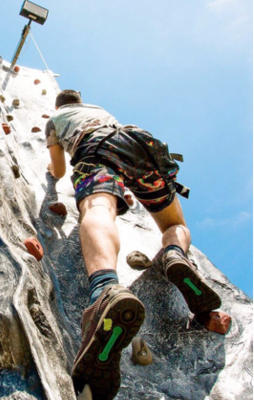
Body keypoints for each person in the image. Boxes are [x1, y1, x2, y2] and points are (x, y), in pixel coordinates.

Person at [45, 90, 222, 399]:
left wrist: (51, 171)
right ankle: (175, 255)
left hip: (95, 149)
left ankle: (104, 290)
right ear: (79, 99)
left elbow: (58, 169)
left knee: (98, 208)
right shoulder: (97, 107)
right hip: (137, 146)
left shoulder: (56, 119)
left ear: (58, 106)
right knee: (175, 224)